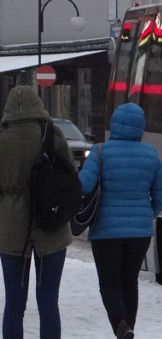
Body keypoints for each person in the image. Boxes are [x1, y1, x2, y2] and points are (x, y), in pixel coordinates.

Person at [79, 102, 162, 339]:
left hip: (105, 232)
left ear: (114, 124)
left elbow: (84, 186)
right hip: (139, 234)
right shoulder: (151, 155)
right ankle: (129, 327)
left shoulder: (100, 152)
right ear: (141, 127)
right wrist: (145, 214)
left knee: (110, 284)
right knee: (130, 282)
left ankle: (121, 325)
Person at [0, 85, 76, 339]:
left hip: (11, 230)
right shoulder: (51, 135)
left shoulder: (2, 139)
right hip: (51, 223)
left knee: (13, 304)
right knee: (48, 303)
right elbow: (71, 177)